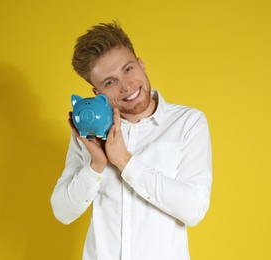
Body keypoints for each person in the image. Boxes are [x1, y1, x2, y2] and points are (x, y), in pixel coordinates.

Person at [50, 21, 213, 260]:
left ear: (141, 64)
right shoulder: (90, 135)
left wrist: (125, 161)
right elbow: (62, 211)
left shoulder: (188, 123)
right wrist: (95, 165)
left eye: (128, 69)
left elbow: (194, 209)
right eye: (109, 82)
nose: (126, 86)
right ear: (98, 94)